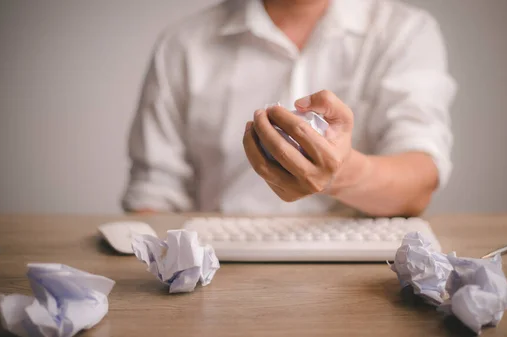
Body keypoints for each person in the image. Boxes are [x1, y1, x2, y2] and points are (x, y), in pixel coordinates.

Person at [121, 0, 456, 217]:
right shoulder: (184, 44)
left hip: (363, 272)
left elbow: (419, 180)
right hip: (220, 266)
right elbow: (154, 192)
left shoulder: (404, 31)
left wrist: (340, 172)